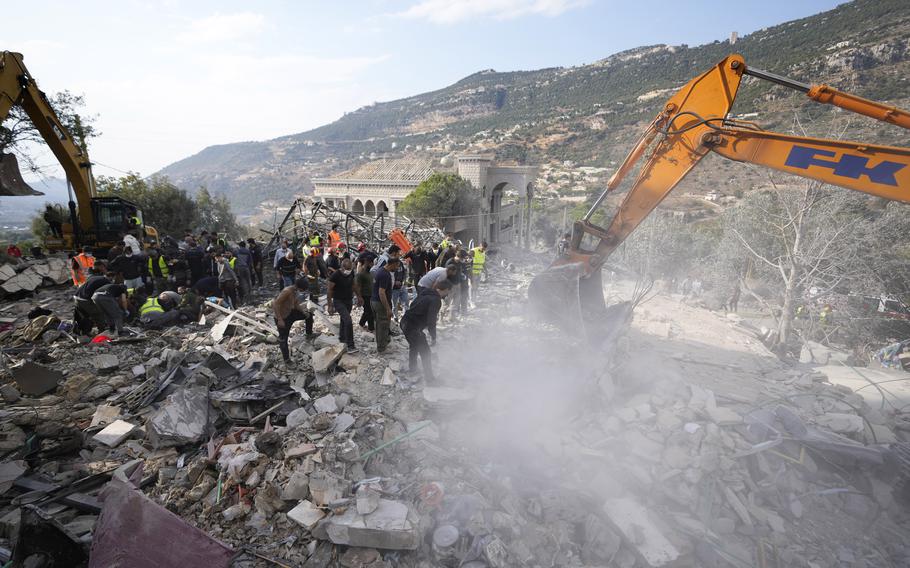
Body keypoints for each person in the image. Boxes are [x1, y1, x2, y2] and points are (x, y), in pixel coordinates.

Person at [401, 280, 451, 381]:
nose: (448, 294)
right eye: (448, 291)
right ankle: (430, 380)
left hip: (405, 322)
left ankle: (413, 369)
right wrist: (433, 336)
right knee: (426, 352)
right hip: (413, 327)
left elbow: (412, 305)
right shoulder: (436, 300)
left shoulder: (426, 292)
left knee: (414, 346)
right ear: (445, 290)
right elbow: (431, 320)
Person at [273, 276, 315, 363]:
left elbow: (295, 304)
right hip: (282, 317)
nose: (303, 291)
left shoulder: (295, 291)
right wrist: (280, 320)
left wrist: (303, 312)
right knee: (283, 339)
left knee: (309, 315)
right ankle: (287, 360)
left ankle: (309, 334)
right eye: (303, 289)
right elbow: (276, 304)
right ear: (300, 287)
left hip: (290, 313)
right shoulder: (287, 291)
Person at [327, 258, 358, 353]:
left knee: (344, 319)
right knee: (348, 320)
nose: (349, 271)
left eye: (350, 269)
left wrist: (359, 296)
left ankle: (342, 338)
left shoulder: (351, 273)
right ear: (342, 267)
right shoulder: (335, 275)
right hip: (338, 301)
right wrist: (330, 305)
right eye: (347, 269)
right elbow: (329, 290)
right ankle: (350, 345)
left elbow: (353, 285)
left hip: (348, 300)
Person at [371, 256, 399, 353]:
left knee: (379, 324)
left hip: (374, 300)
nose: (397, 268)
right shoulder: (385, 274)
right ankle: (382, 348)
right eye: (397, 266)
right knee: (383, 324)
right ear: (393, 264)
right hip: (380, 302)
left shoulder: (380, 270)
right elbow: (381, 292)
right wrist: (388, 308)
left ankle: (383, 343)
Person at [74, 263, 110, 335]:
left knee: (85, 316)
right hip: (84, 299)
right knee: (98, 314)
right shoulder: (105, 280)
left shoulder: (92, 277)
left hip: (76, 297)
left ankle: (83, 332)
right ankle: (102, 332)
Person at [356, 254, 375, 332]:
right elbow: (358, 286)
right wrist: (359, 297)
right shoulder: (361, 273)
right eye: (371, 263)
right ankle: (369, 327)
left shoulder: (369, 273)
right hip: (365, 295)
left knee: (369, 311)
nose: (372, 265)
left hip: (371, 295)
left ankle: (365, 325)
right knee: (368, 311)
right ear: (367, 262)